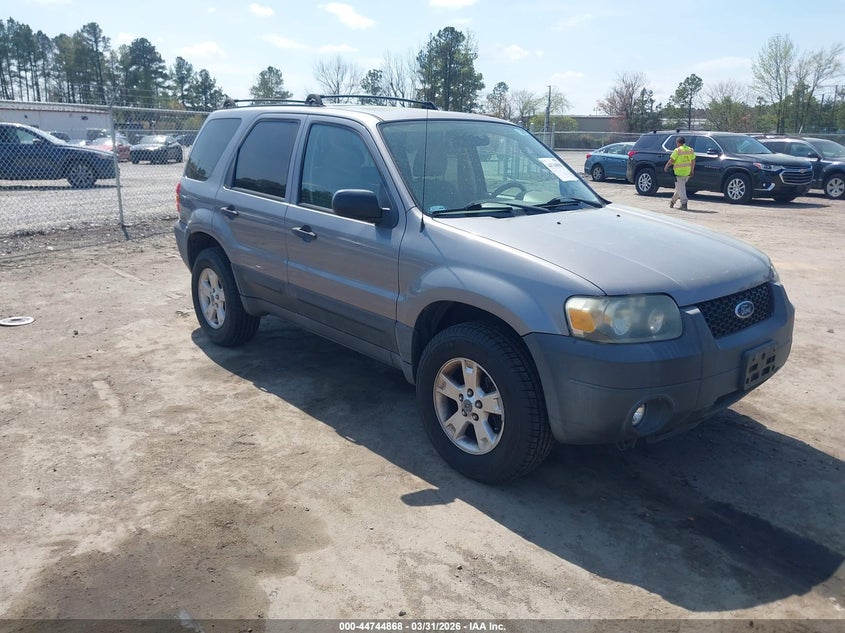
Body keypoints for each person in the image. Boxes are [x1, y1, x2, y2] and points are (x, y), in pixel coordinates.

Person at [664, 136, 695, 210]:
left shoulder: (677, 150)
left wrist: (666, 167)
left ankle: (684, 204)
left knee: (681, 189)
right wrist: (692, 170)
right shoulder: (690, 150)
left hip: (679, 173)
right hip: (687, 173)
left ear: (678, 142)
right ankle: (672, 201)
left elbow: (672, 160)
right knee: (680, 189)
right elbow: (693, 161)